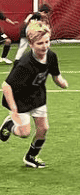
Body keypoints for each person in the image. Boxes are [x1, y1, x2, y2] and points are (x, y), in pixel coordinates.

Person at [1, 19, 69, 168]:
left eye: (47, 42)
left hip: (37, 95)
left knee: (43, 128)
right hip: (20, 99)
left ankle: (31, 157)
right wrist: (13, 111)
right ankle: (8, 124)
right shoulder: (24, 65)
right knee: (24, 132)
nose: (44, 46)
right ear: (31, 44)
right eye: (40, 43)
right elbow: (6, 86)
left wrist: (61, 82)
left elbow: (55, 75)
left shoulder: (51, 56)